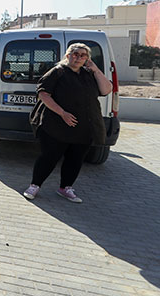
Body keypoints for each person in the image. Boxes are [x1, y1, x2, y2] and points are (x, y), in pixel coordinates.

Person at [24, 43, 112, 203]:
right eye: (75, 54)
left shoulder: (89, 74)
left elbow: (106, 90)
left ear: (87, 59)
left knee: (75, 159)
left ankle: (65, 188)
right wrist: (62, 113)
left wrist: (95, 69)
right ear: (68, 55)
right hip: (56, 125)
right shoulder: (57, 72)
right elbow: (43, 95)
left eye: (83, 55)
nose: (78, 58)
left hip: (84, 126)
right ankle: (34, 186)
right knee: (49, 157)